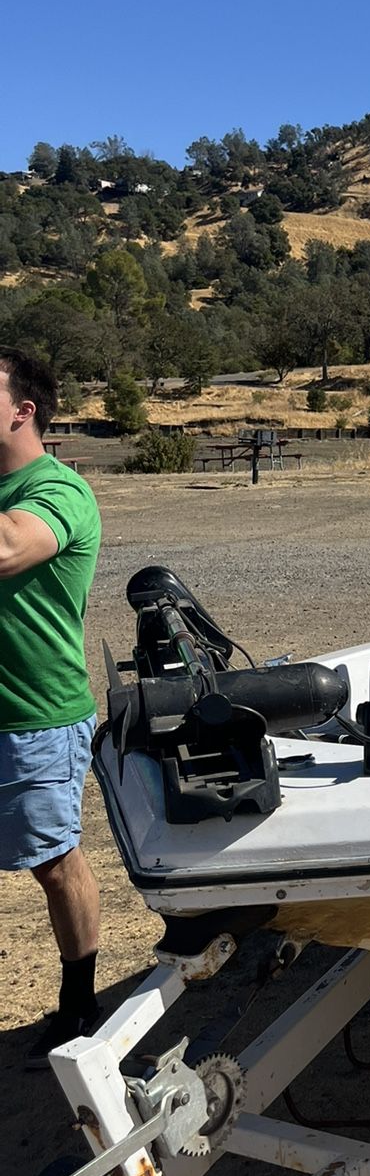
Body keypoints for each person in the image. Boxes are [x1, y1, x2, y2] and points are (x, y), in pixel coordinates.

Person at [0, 347, 103, 1069]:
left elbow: (9, 547)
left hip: (37, 720)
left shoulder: (58, 490)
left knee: (54, 864)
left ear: (22, 409)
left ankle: (80, 1000)